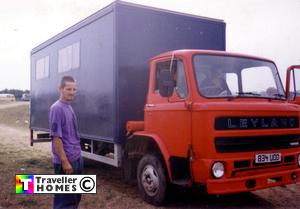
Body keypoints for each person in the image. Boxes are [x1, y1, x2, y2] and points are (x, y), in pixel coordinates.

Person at [49, 75, 83, 209]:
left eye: (75, 89)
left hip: (76, 158)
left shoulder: (68, 107)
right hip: (67, 161)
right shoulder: (56, 108)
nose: (72, 92)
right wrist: (64, 161)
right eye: (69, 89)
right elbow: (56, 137)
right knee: (64, 202)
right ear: (61, 89)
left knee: (75, 197)